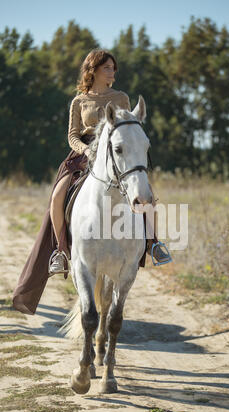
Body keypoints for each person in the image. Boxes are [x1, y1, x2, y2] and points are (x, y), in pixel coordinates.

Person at [12, 49, 172, 315]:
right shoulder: (78, 102)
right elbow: (73, 135)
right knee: (57, 196)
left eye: (113, 68)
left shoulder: (121, 98)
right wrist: (85, 150)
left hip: (115, 152)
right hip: (84, 153)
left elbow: (127, 126)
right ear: (94, 70)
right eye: (107, 67)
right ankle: (61, 251)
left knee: (147, 193)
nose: (112, 72)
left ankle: (154, 243)